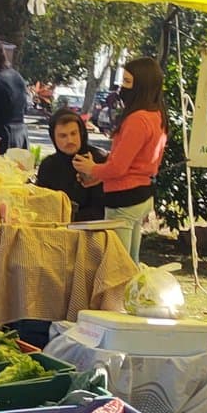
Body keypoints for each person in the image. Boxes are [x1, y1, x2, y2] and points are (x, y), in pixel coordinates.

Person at [72, 56, 168, 261]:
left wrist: (91, 168)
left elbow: (119, 168)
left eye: (127, 82)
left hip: (124, 199)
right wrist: (99, 174)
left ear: (141, 86)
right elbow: (134, 163)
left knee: (118, 265)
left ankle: (122, 294)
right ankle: (133, 293)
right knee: (130, 262)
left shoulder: (137, 119)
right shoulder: (157, 115)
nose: (121, 88)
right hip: (141, 194)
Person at [37, 108, 107, 222]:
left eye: (73, 134)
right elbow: (40, 204)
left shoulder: (98, 159)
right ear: (53, 138)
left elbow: (101, 208)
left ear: (81, 133)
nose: (69, 140)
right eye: (63, 136)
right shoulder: (48, 165)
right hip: (54, 227)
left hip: (91, 229)